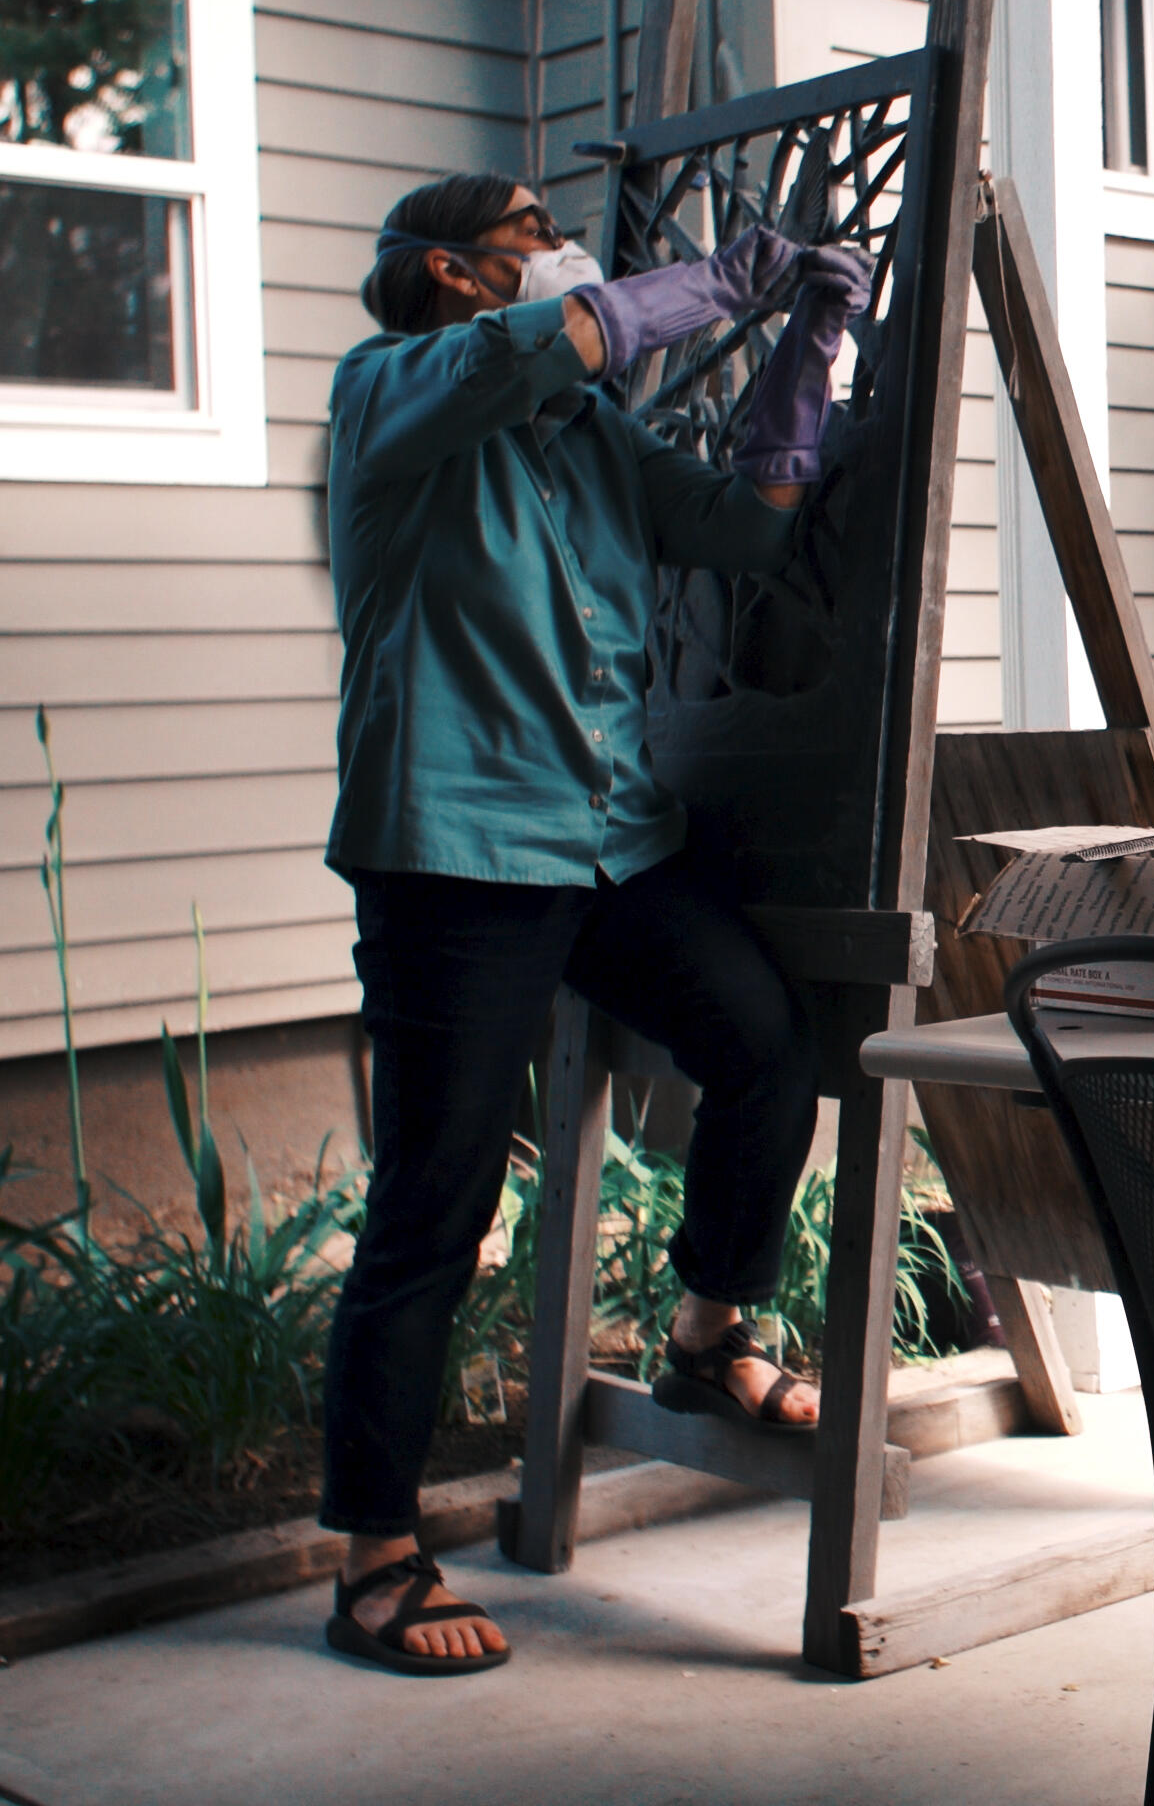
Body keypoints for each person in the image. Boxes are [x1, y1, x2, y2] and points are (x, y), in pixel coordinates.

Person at [318, 172, 870, 1677]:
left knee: (766, 1044)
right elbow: (552, 341)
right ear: (450, 273)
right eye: (527, 237)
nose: (563, 247)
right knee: (436, 1201)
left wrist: (804, 354)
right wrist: (716, 283)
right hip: (458, 856)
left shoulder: (582, 437)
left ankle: (708, 1332)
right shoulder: (389, 394)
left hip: (610, 845)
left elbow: (745, 529)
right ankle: (373, 1551)